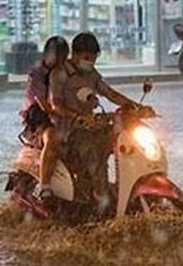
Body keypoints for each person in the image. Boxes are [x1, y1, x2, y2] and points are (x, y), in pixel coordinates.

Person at [41, 32, 148, 205]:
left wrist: (136, 107)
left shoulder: (92, 75)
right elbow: (56, 106)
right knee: (94, 151)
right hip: (68, 132)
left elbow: (110, 93)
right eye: (86, 57)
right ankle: (101, 200)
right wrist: (78, 117)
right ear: (74, 54)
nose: (90, 62)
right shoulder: (59, 75)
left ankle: (122, 189)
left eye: (93, 58)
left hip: (90, 127)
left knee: (124, 142)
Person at [18, 36, 69, 189]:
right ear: (47, 54)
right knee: (52, 137)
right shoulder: (37, 74)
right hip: (39, 121)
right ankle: (45, 186)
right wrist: (70, 114)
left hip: (62, 117)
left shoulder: (66, 73)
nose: (60, 60)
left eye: (63, 56)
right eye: (57, 55)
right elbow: (45, 105)